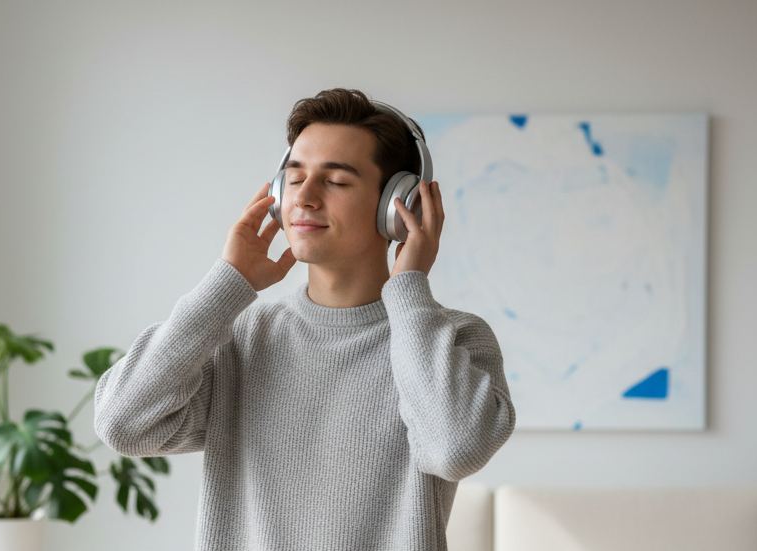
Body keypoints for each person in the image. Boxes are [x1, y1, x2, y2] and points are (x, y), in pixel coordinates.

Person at [94, 88, 515, 550]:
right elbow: (123, 423)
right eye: (294, 178)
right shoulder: (243, 338)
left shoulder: (453, 339)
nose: (305, 198)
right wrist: (227, 283)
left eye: (335, 181)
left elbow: (453, 449)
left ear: (399, 206)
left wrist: (410, 286)